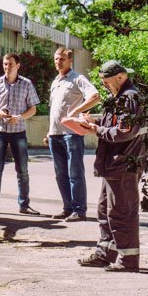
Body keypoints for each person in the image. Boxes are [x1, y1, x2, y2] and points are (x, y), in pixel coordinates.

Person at [76, 60, 146, 272]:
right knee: (106, 209)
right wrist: (94, 123)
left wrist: (96, 129)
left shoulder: (129, 97)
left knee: (121, 211)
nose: (105, 86)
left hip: (124, 162)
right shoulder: (120, 97)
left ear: (120, 77)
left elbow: (124, 131)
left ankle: (128, 260)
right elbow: (115, 125)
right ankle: (105, 253)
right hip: (116, 162)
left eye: (107, 82)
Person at [45, 47, 100, 221]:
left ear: (70, 61)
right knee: (60, 173)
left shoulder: (78, 79)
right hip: (55, 134)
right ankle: (67, 207)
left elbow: (95, 96)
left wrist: (76, 110)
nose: (58, 62)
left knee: (75, 172)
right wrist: (49, 132)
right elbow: (55, 109)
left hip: (72, 133)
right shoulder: (56, 81)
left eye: (61, 59)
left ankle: (79, 210)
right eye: (56, 59)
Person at [0, 53, 42, 215]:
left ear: (18, 65)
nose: (7, 67)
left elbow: (33, 109)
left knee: (22, 170)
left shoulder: (26, 84)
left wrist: (19, 117)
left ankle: (24, 205)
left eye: (10, 64)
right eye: (4, 64)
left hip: (18, 132)